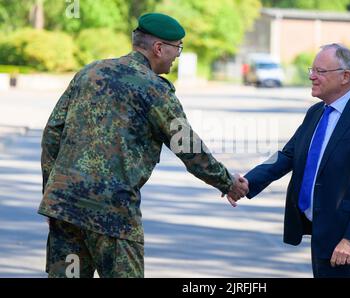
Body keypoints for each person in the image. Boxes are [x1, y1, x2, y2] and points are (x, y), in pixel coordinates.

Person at [38, 12, 248, 278]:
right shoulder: (153, 89)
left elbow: (52, 134)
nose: (177, 56)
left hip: (65, 209)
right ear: (159, 48)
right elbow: (187, 146)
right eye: (178, 49)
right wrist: (227, 182)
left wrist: (51, 192)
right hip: (112, 215)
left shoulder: (89, 72)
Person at [230, 44, 350, 278]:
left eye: (320, 71)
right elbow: (286, 155)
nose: (311, 76)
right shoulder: (316, 112)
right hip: (322, 233)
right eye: (312, 69)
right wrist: (247, 182)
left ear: (345, 76)